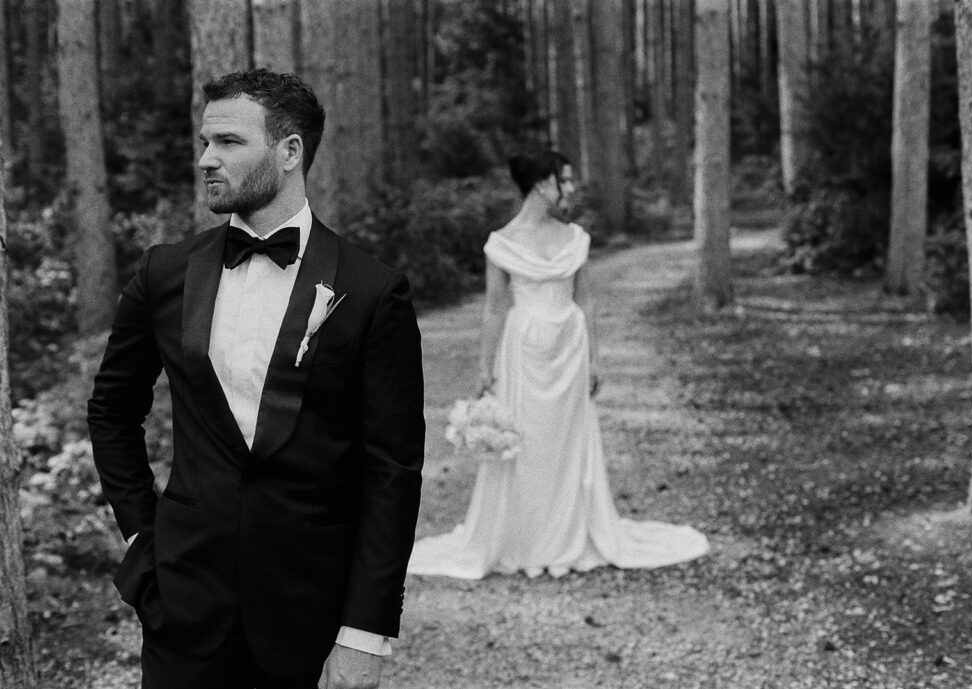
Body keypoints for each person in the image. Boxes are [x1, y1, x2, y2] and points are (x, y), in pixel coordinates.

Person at [87, 68, 424, 689]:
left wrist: (364, 632)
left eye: (228, 142)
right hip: (183, 605)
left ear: (289, 151)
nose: (206, 159)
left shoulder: (372, 290)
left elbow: (392, 471)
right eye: (204, 142)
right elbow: (111, 409)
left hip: (311, 610)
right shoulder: (163, 273)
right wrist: (140, 536)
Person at [407, 148, 708, 580]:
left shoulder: (575, 238)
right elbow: (495, 309)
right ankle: (526, 540)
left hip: (570, 349)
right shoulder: (501, 243)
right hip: (523, 352)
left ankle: (572, 534)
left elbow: (586, 299)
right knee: (528, 441)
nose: (570, 187)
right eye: (564, 179)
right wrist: (485, 369)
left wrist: (595, 358)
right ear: (541, 184)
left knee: (569, 441)